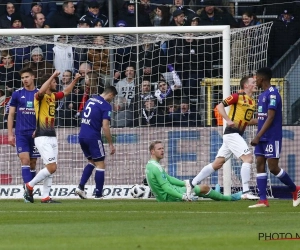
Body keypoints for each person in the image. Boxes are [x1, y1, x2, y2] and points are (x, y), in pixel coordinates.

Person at [188, 76, 259, 200]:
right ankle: (246, 191)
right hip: (231, 133)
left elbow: (247, 121)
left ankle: (191, 183)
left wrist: (262, 120)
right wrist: (228, 120)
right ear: (246, 85)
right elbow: (219, 106)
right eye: (253, 82)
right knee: (248, 158)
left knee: (217, 164)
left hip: (236, 135)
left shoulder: (252, 102)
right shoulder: (237, 96)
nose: (255, 84)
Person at [23, 70, 81, 203]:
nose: (56, 84)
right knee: (51, 167)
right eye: (55, 82)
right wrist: (52, 76)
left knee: (50, 167)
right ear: (48, 83)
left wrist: (76, 80)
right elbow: (42, 91)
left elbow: (66, 92)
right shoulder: (40, 97)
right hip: (42, 136)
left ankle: (45, 197)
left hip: (51, 135)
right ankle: (30, 186)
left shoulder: (53, 97)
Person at [249, 67, 300, 208]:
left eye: (256, 78)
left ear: (261, 79)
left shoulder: (273, 94)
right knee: (259, 163)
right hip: (261, 137)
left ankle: (295, 189)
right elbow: (261, 118)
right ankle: (263, 200)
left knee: (273, 167)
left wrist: (258, 136)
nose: (255, 81)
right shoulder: (262, 95)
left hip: (271, 137)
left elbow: (271, 117)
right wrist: (243, 122)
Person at [145, 140, 242, 202]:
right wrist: (183, 196)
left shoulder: (150, 165)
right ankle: (229, 198)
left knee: (198, 188)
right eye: (159, 149)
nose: (162, 150)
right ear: (152, 152)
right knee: (204, 188)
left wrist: (185, 183)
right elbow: (166, 188)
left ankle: (216, 195)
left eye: (163, 148)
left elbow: (169, 179)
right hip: (170, 197)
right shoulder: (156, 168)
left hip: (164, 197)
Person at [75, 86, 117, 199]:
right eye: (112, 98)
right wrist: (111, 144)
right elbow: (105, 126)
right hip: (93, 137)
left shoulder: (90, 99)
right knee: (101, 164)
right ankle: (98, 194)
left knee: (92, 162)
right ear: (111, 95)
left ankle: (80, 187)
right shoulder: (106, 106)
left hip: (82, 135)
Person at [7, 67, 40, 202]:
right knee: (25, 160)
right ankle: (27, 193)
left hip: (36, 134)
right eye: (22, 78)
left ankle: (30, 189)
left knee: (33, 163)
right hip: (21, 133)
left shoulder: (40, 93)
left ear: (33, 77)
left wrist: (39, 129)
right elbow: (11, 114)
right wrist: (10, 134)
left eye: (26, 77)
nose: (24, 80)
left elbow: (44, 114)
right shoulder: (17, 94)